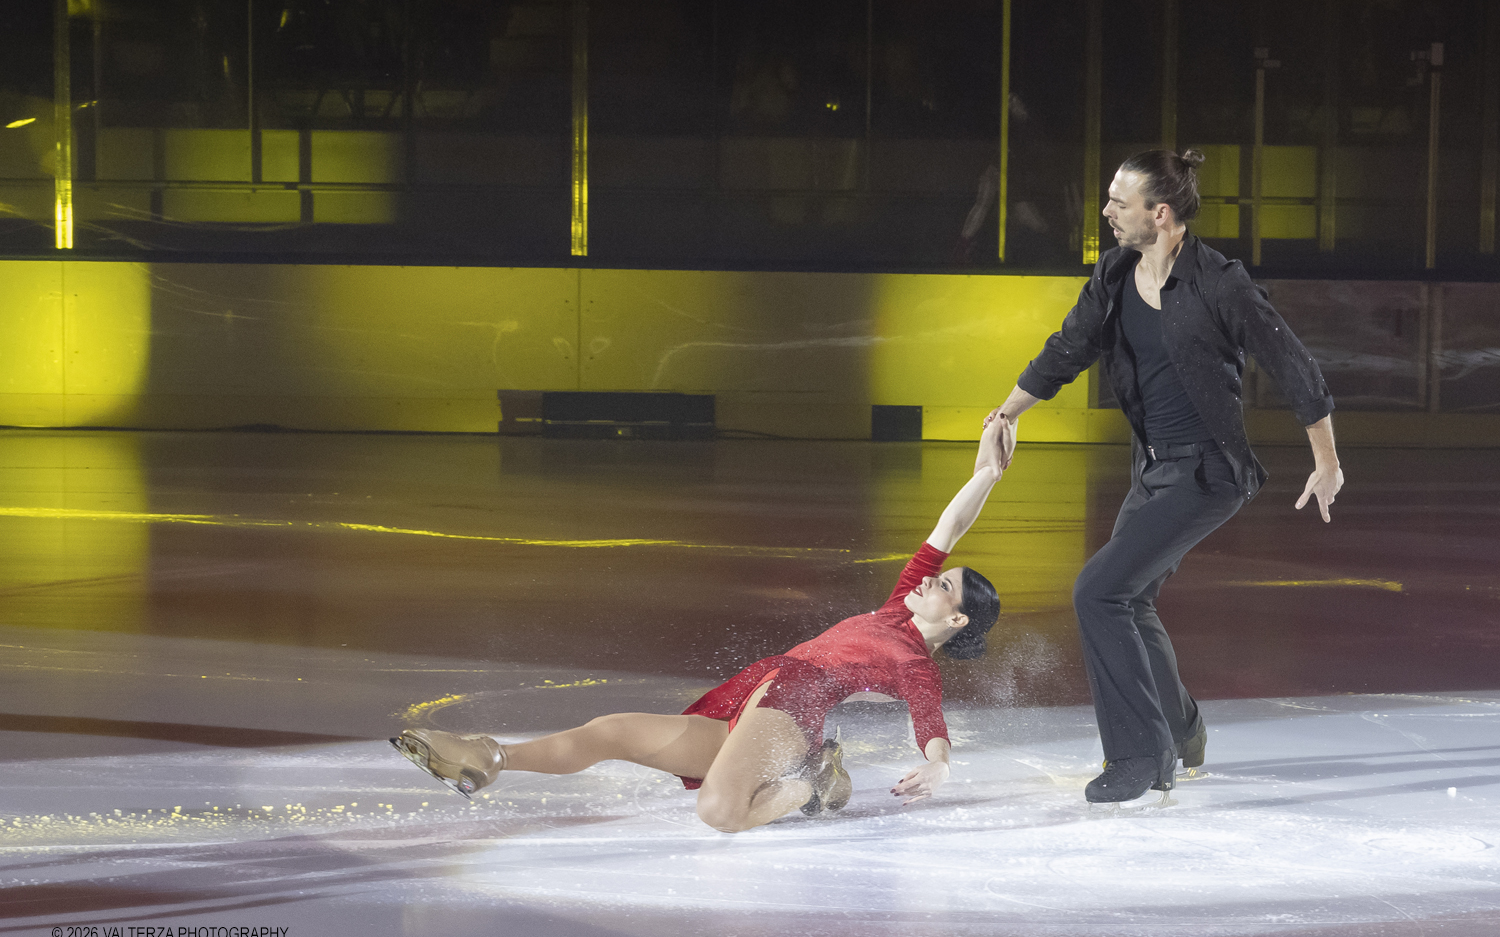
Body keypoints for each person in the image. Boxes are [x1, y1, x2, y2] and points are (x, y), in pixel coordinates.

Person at [392, 418, 1008, 833]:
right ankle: (490, 757)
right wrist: (987, 474)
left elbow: (931, 724)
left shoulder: (915, 664)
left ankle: (809, 782)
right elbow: (947, 528)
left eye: (944, 585)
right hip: (756, 693)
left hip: (793, 705)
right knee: (610, 731)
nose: (930, 577)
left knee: (720, 811)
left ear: (955, 618)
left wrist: (940, 765)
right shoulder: (897, 606)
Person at [985, 149, 1343, 804]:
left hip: (1208, 471)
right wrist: (1006, 413)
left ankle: (1141, 759)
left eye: (1118, 202)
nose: (1105, 211)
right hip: (1152, 470)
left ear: (1161, 214)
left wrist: (1327, 460)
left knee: (1099, 592)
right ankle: (1182, 730)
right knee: (1131, 597)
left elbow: (1291, 363)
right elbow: (1070, 345)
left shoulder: (1220, 284)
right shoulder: (1117, 273)